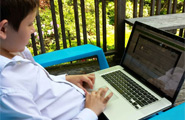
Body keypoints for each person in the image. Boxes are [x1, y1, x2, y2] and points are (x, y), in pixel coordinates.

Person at [0, 0, 113, 119]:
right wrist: (91, 111)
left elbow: (37, 85)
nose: (33, 30)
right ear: (3, 29)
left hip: (86, 102)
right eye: (30, 24)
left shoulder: (13, 50)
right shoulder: (8, 90)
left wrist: (66, 79)